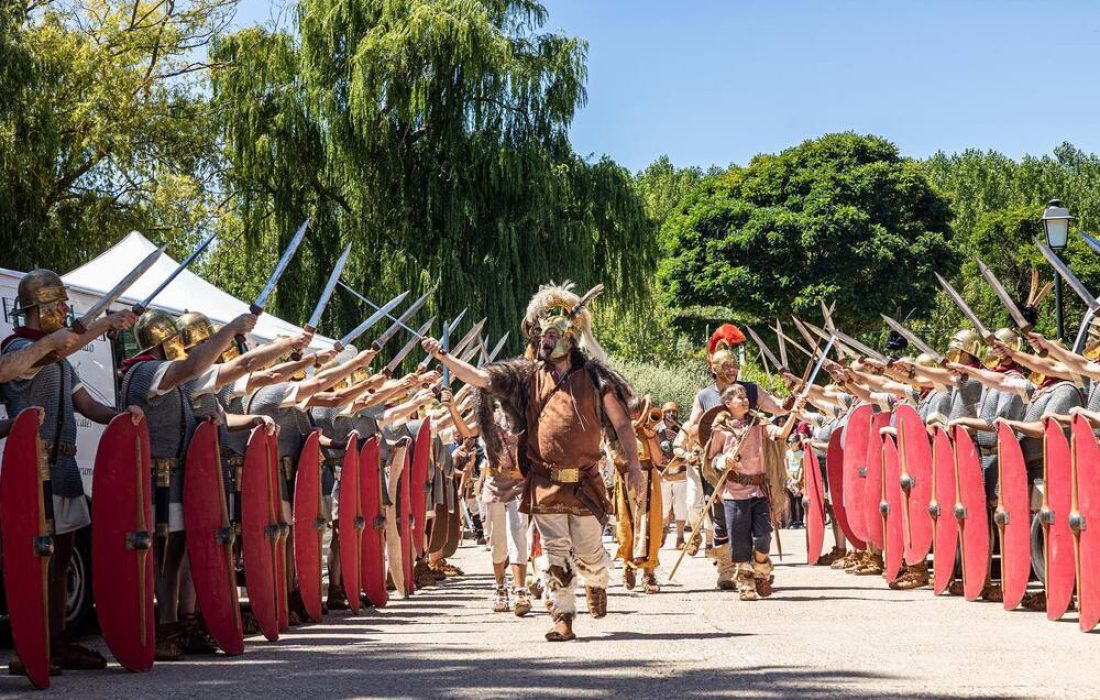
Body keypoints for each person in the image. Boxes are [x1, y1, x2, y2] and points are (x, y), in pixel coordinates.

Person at [421, 281, 643, 642]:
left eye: (553, 334)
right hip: (544, 481)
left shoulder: (594, 378)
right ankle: (563, 618)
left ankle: (598, 581)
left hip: (585, 481)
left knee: (589, 551)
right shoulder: (526, 377)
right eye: (541, 334)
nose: (544, 339)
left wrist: (633, 467)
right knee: (555, 553)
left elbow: (621, 422)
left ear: (570, 339)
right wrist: (444, 358)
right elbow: (480, 376)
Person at [1, 269, 142, 675]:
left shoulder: (60, 362)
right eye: (59, 304)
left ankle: (58, 640)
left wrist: (122, 416)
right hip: (30, 467)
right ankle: (28, 645)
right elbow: (8, 370)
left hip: (62, 466)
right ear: (41, 307)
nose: (65, 311)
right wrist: (102, 324)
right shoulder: (20, 350)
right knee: (32, 559)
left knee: (60, 560)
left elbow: (88, 407)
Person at [120, 308, 256, 660]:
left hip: (175, 478)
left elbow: (181, 417)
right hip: (153, 479)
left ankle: (184, 621)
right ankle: (164, 626)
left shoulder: (169, 380)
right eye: (175, 341)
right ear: (163, 343)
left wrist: (204, 419)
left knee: (177, 551)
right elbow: (195, 366)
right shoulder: (147, 372)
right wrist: (231, 328)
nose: (181, 347)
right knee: (162, 554)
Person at [707, 384, 803, 601]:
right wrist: (724, 461)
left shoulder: (758, 423)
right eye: (738, 397)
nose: (744, 400)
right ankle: (745, 581)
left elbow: (781, 434)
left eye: (745, 396)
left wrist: (794, 413)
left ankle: (761, 572)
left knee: (762, 538)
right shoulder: (721, 430)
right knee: (739, 541)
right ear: (728, 404)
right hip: (734, 493)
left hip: (758, 491)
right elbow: (712, 458)